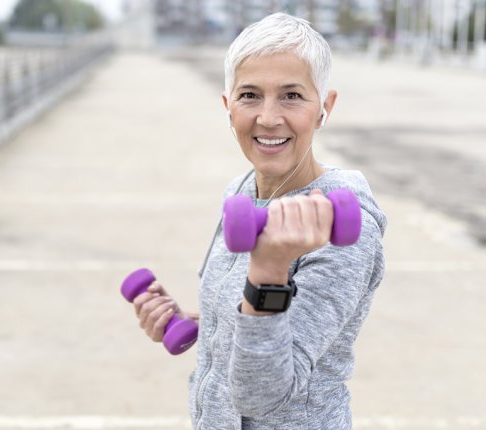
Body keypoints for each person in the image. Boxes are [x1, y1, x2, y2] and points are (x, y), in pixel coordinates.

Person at [132, 12, 387, 430]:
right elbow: (260, 326)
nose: (268, 117)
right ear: (227, 106)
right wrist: (203, 324)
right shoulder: (242, 190)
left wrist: (269, 271)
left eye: (291, 96)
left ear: (325, 107)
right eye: (250, 95)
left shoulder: (340, 230)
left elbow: (261, 396)